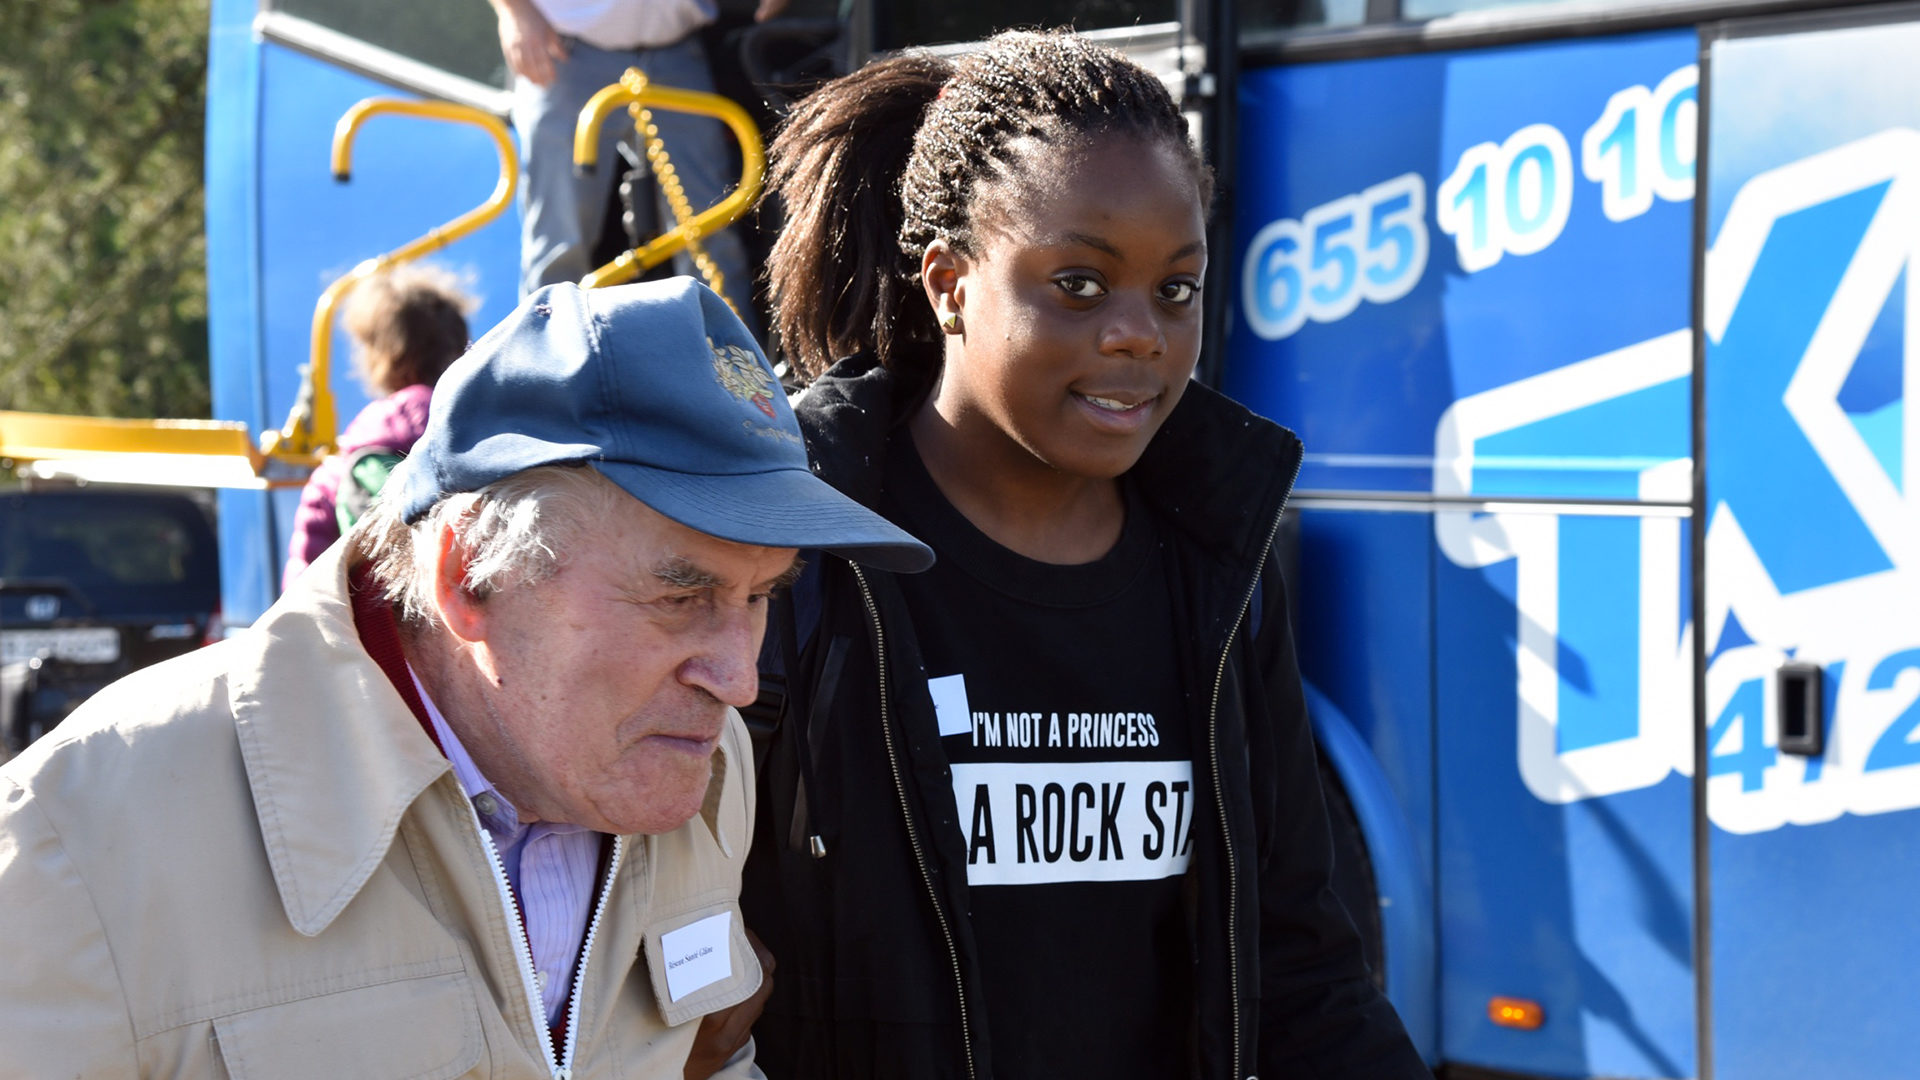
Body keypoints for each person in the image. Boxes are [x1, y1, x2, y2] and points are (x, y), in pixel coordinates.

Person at [0, 277, 933, 1078]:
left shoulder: (705, 765)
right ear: (469, 577)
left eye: (762, 595)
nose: (737, 677)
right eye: (680, 597)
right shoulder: (80, 834)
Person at [740, 30, 1434, 1080]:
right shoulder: (793, 557)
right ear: (949, 282)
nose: (1140, 335)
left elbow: (1302, 972)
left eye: (1176, 290)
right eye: (1078, 282)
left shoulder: (1220, 573)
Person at [489, 0, 781, 327]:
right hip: (564, 53)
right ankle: (542, 368)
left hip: (678, 50)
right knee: (559, 242)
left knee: (711, 228)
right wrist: (514, 11)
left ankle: (733, 367)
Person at [282, 263, 474, 590]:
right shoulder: (489, 437)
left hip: (373, 636)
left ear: (379, 359)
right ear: (459, 351)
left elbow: (302, 594)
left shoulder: (336, 473)